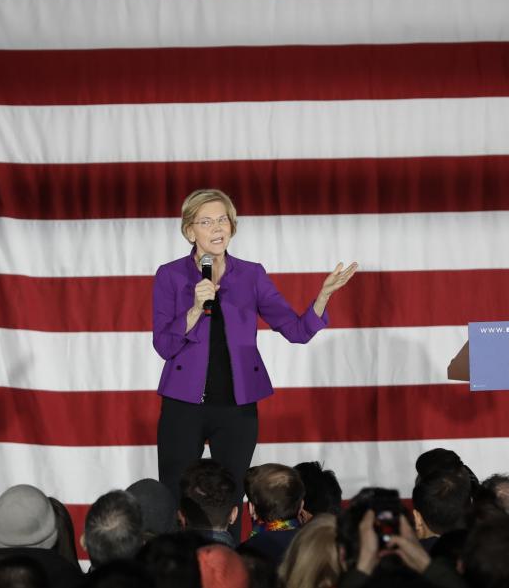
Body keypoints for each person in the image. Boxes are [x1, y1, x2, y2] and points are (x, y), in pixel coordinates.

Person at [152, 188, 357, 528]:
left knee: (232, 499)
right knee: (176, 495)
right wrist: (194, 309)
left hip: (237, 405)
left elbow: (295, 330)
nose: (217, 227)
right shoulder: (170, 275)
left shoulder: (251, 275)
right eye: (206, 221)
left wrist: (322, 297)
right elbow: (164, 345)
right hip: (183, 404)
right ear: (190, 231)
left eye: (223, 220)